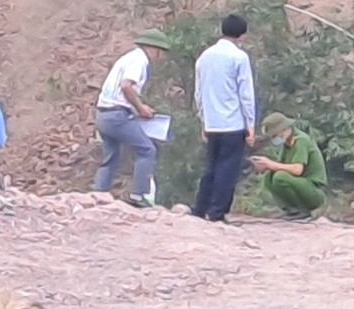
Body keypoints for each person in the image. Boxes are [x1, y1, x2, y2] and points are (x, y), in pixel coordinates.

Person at [93, 29, 172, 206]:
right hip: (117, 115)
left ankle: (98, 193)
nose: (160, 56)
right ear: (152, 48)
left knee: (111, 156)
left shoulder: (128, 58)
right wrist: (140, 107)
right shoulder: (139, 61)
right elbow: (126, 86)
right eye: (160, 51)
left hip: (103, 114)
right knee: (147, 150)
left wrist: (137, 109)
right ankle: (139, 195)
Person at [191, 14, 256, 223]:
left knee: (210, 166)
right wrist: (250, 124)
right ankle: (217, 212)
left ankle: (200, 207)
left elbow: (198, 93)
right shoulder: (239, 57)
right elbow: (246, 93)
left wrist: (203, 120)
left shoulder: (205, 56)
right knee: (227, 169)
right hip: (233, 123)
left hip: (212, 123)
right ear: (242, 34)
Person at [250, 113, 327, 220]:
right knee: (269, 176)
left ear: (283, 130)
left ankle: (303, 210)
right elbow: (281, 166)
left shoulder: (301, 141)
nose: (274, 138)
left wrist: (270, 164)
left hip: (314, 191)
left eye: (274, 135)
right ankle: (291, 210)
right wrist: (263, 166)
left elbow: (297, 170)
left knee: (280, 177)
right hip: (300, 184)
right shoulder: (287, 143)